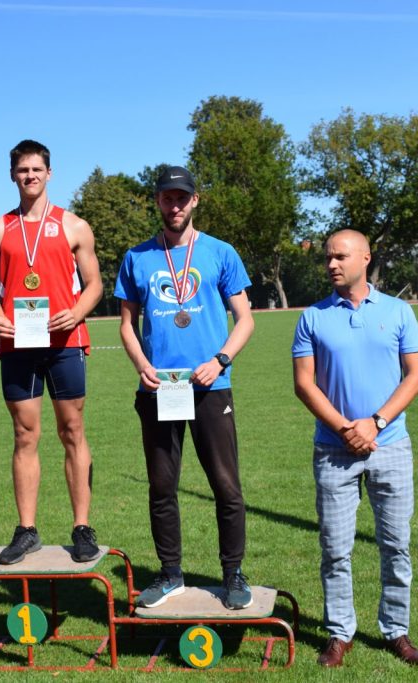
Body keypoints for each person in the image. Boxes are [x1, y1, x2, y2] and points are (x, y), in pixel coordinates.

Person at [115, 166, 255, 610]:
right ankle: (170, 573)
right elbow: (126, 324)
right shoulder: (137, 257)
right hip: (160, 389)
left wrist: (220, 360)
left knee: (226, 486)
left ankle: (233, 574)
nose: (174, 205)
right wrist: (142, 365)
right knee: (162, 487)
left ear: (195, 200)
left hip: (211, 386)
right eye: (167, 198)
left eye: (182, 197)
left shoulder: (220, 252)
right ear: (157, 201)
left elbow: (245, 319)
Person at [291, 230, 418, 667]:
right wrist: (345, 428)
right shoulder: (312, 317)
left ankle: (396, 630)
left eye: (340, 257)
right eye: (328, 258)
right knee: (335, 548)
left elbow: (415, 376)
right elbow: (304, 384)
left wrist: (376, 422)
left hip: (391, 445)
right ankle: (339, 633)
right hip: (334, 450)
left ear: (365, 258)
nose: (331, 264)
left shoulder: (398, 311)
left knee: (396, 545)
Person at [0, 139, 103, 564]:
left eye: (36, 169)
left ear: (49, 173)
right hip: (18, 344)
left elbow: (95, 285)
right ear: (12, 175)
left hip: (65, 342)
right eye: (22, 170)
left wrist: (76, 314)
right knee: (24, 434)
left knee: (72, 430)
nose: (29, 176)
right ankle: (27, 529)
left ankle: (82, 526)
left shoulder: (74, 226)